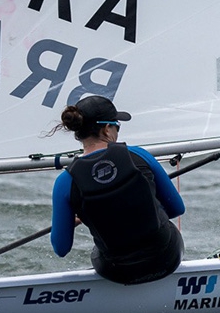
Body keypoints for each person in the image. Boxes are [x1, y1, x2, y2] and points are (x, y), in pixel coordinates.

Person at [50, 95, 185, 285]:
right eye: (117, 126)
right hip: (167, 259)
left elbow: (61, 248)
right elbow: (176, 209)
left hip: (117, 272)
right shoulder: (139, 155)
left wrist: (73, 220)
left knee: (103, 249)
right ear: (107, 128)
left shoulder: (65, 181)